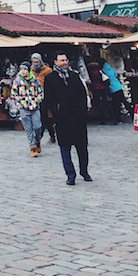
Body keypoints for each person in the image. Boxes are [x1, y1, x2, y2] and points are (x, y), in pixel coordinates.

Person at [44, 52, 91, 185]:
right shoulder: (50, 78)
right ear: (55, 62)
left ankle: (84, 171)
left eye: (65, 60)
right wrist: (56, 109)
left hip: (78, 117)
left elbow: (83, 93)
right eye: (61, 60)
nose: (64, 62)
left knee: (82, 147)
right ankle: (70, 174)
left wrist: (82, 108)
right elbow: (48, 98)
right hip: (63, 119)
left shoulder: (74, 76)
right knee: (65, 148)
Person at [11, 60, 44, 157]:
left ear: (28, 70)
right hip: (24, 107)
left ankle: (37, 141)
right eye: (21, 69)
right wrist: (20, 100)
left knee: (38, 127)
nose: (23, 71)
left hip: (34, 107)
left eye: (25, 69)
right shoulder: (17, 80)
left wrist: (38, 99)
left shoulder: (35, 79)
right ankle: (32, 147)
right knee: (28, 129)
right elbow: (13, 93)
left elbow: (40, 92)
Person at [31, 52, 56, 143]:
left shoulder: (47, 70)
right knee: (43, 116)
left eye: (37, 62)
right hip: (36, 96)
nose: (36, 64)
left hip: (47, 95)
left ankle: (49, 134)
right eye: (34, 62)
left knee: (48, 116)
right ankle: (46, 135)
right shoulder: (31, 70)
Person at [101, 59, 127, 124]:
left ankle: (118, 119)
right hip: (118, 86)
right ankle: (132, 114)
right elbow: (115, 75)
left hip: (112, 88)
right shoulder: (110, 68)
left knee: (116, 104)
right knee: (124, 101)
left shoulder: (103, 70)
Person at [86, 61, 109, 125]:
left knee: (99, 104)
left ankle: (103, 119)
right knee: (106, 102)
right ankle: (112, 117)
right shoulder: (100, 71)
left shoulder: (90, 73)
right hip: (103, 88)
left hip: (95, 89)